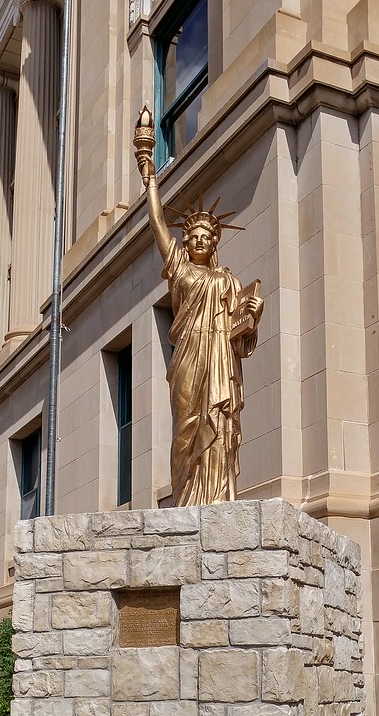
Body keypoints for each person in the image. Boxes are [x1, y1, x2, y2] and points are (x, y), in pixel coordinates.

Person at [135, 150, 264, 505]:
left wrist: (253, 314)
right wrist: (150, 179)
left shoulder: (226, 279)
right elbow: (159, 225)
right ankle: (186, 497)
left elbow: (240, 331)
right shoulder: (180, 269)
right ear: (186, 244)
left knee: (220, 424)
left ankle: (218, 497)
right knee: (187, 427)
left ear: (215, 243)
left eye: (207, 235)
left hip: (221, 358)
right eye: (193, 237)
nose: (200, 240)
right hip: (189, 357)